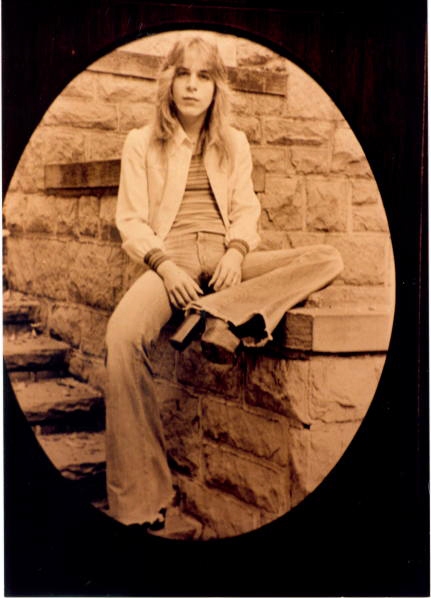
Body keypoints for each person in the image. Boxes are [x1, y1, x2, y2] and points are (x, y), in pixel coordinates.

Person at [105, 35, 343, 530]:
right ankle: (141, 501)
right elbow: (130, 221)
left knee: (326, 257)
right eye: (183, 74)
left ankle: (219, 313)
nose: (192, 86)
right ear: (168, 81)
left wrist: (236, 252)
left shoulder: (233, 142)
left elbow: (245, 212)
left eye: (204, 76)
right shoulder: (140, 142)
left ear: (217, 87)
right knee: (122, 337)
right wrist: (165, 266)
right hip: (170, 260)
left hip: (225, 261)